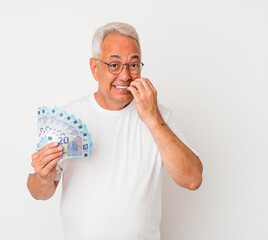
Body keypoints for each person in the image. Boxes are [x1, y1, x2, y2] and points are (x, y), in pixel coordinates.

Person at [27, 22, 203, 240]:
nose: (125, 76)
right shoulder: (67, 119)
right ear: (94, 68)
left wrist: (153, 118)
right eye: (114, 65)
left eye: (133, 65)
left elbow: (193, 179)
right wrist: (43, 177)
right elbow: (39, 192)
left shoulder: (160, 117)